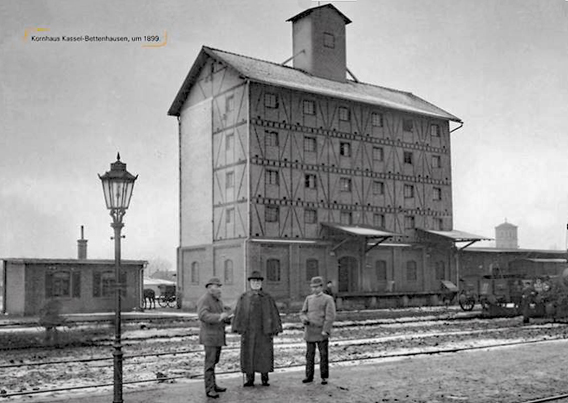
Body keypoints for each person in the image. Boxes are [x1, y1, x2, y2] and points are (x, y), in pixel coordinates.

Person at [232, 271, 282, 387]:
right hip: (249, 332)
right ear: (249, 283)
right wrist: (238, 327)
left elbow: (273, 313)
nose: (256, 283)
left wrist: (275, 328)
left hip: (264, 332)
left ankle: (265, 378)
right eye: (253, 281)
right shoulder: (244, 298)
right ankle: (250, 379)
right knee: (249, 355)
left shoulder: (267, 298)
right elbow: (239, 313)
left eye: (258, 281)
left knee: (264, 354)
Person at [197, 277, 232, 399]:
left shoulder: (217, 300)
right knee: (210, 364)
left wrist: (228, 318)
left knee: (214, 362)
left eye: (219, 286)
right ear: (209, 287)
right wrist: (219, 316)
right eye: (216, 286)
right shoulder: (205, 299)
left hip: (217, 337)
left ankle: (213, 385)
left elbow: (221, 316)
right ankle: (209, 389)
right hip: (210, 338)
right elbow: (203, 315)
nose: (218, 289)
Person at [299, 276, 336, 385]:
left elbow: (330, 316)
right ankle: (309, 376)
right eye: (312, 287)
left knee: (323, 355)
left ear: (321, 287)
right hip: (310, 331)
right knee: (309, 355)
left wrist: (326, 330)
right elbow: (303, 312)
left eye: (316, 287)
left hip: (321, 331)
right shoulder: (309, 299)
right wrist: (304, 319)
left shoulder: (328, 299)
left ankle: (324, 377)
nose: (314, 289)